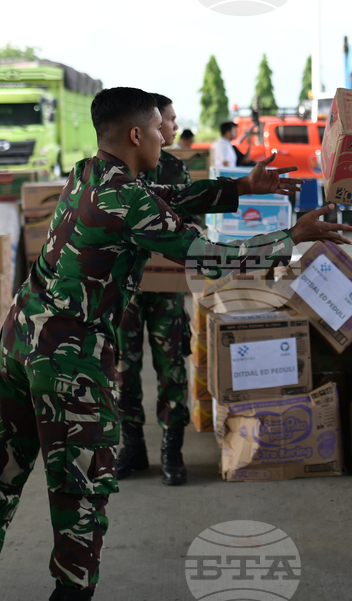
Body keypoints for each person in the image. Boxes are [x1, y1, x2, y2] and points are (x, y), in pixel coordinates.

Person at [0, 87, 352, 601]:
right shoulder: (128, 198)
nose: (167, 137)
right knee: (81, 490)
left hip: (21, 336)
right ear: (136, 134)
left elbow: (161, 199)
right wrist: (291, 237)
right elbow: (210, 257)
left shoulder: (87, 173)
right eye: (159, 129)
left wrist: (239, 187)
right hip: (67, 356)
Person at [114, 94, 196, 486]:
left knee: (172, 368)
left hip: (166, 289)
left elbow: (193, 221)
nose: (173, 127)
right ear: (150, 125)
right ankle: (132, 447)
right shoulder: (119, 170)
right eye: (169, 121)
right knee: (123, 370)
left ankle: (171, 451)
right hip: (126, 291)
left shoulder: (176, 169)